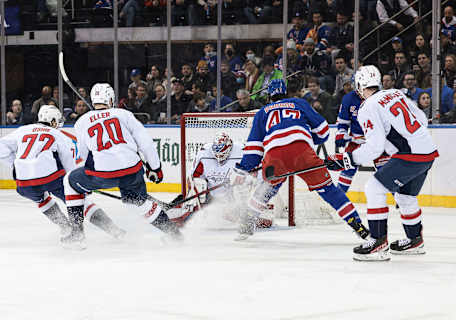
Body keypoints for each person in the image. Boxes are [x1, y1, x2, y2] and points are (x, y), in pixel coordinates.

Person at [230, 79, 369, 240]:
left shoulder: (262, 112)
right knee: (329, 190)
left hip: (275, 155)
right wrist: (308, 140)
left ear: (269, 95)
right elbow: (323, 131)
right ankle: (357, 225)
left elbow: (254, 149)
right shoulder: (298, 103)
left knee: (267, 188)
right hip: (302, 151)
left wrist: (244, 168)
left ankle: (247, 224)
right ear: (286, 92)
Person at [326, 65, 439, 261]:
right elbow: (421, 118)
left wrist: (347, 160)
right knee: (406, 196)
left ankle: (378, 242)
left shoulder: (367, 107)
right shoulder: (395, 93)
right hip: (428, 151)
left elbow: (375, 147)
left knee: (373, 188)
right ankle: (415, 240)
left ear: (360, 85)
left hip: (409, 155)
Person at [63, 83, 182, 247]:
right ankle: (174, 234)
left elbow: (83, 155)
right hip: (132, 171)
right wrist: (156, 169)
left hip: (102, 174)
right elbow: (146, 144)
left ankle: (77, 234)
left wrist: (87, 184)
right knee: (138, 203)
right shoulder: (124, 114)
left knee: (69, 181)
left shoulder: (82, 121)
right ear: (110, 99)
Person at [0, 105, 125, 247]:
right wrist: (79, 186)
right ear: (53, 121)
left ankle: (66, 228)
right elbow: (69, 165)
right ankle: (112, 230)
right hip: (50, 177)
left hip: (23, 182)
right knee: (80, 200)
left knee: (41, 200)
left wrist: (15, 165)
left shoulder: (22, 130)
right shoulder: (59, 135)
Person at [168, 132, 274, 229]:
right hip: (212, 197)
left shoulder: (242, 152)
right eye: (216, 154)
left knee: (242, 186)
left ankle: (247, 215)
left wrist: (246, 181)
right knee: (198, 183)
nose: (219, 157)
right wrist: (195, 196)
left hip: (233, 198)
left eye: (222, 154)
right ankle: (192, 210)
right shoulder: (205, 153)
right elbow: (193, 177)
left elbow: (258, 176)